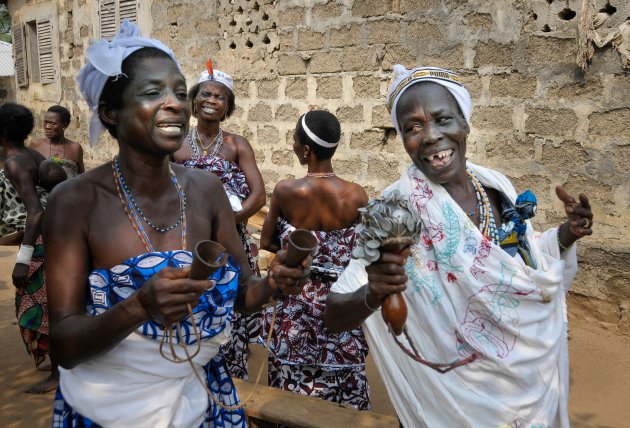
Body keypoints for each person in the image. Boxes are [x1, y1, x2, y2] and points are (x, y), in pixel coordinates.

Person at [45, 21, 309, 427]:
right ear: (110, 113)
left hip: (200, 401)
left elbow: (240, 295)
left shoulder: (206, 190)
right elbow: (63, 345)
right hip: (111, 411)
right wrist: (138, 307)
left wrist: (274, 282)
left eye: (180, 93)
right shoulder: (76, 202)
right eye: (153, 93)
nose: (176, 104)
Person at [325, 65, 594, 427]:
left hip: (522, 390)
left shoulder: (494, 185)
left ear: (465, 123)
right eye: (413, 128)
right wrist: (372, 294)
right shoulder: (393, 211)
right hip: (449, 399)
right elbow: (334, 312)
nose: (431, 136)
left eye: (442, 119)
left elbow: (520, 255)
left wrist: (566, 234)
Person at [259, 110, 371, 410]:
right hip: (342, 307)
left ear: (306, 150)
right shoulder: (357, 196)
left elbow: (267, 242)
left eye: (295, 142)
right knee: (342, 402)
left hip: (296, 305)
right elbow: (364, 251)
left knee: (289, 399)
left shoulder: (286, 191)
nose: (294, 147)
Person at [172, 62, 266, 380]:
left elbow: (258, 195)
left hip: (229, 243)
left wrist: (227, 221)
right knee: (189, 308)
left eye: (220, 97)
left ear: (228, 107)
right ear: (194, 101)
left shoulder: (236, 145)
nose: (212, 100)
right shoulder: (176, 143)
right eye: (206, 94)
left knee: (229, 304)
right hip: (184, 242)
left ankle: (230, 380)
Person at [0, 102, 66, 394]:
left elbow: (35, 211)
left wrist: (23, 259)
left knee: (42, 307)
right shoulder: (32, 153)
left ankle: (58, 374)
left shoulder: (15, 161)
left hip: (40, 241)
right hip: (52, 234)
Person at [29, 105, 85, 178]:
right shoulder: (35, 145)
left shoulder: (75, 148)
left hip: (67, 189)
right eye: (45, 122)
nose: (47, 127)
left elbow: (82, 176)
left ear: (65, 125)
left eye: (53, 123)